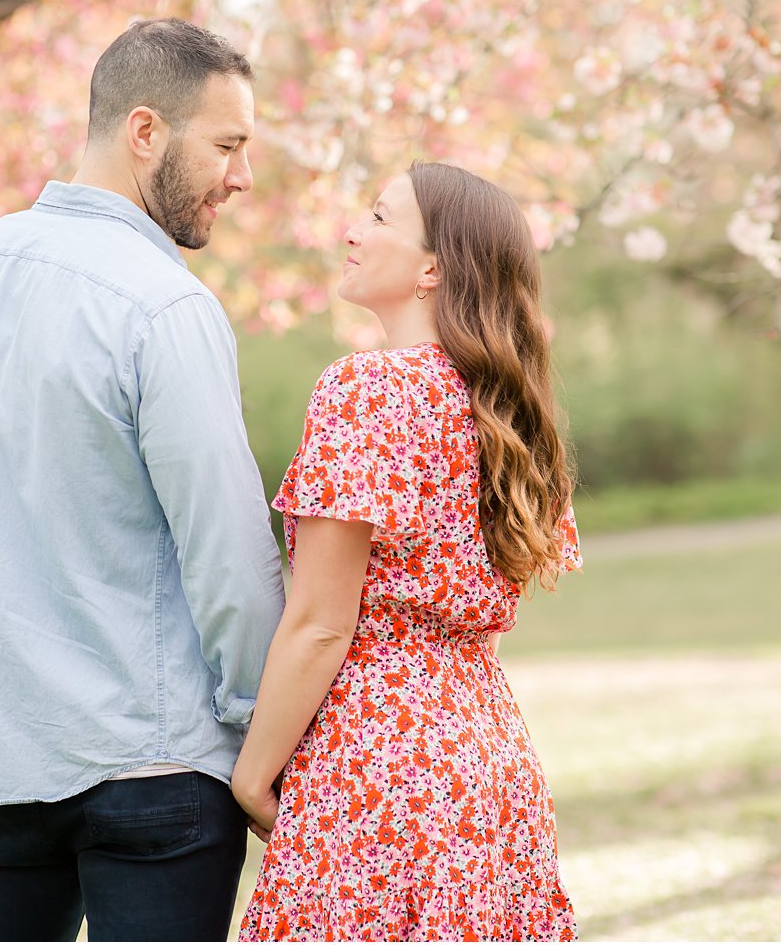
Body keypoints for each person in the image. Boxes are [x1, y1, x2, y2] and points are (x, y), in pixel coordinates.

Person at [0, 18, 285, 942]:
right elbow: (227, 556)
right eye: (228, 145)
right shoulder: (165, 305)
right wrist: (265, 735)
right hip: (153, 769)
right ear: (146, 131)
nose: (242, 176)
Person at [233, 161, 583, 941]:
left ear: (433, 267)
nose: (353, 231)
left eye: (381, 218)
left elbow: (322, 623)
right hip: (488, 762)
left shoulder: (369, 391)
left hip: (381, 764)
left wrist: (254, 774)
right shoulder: (506, 407)